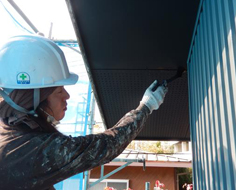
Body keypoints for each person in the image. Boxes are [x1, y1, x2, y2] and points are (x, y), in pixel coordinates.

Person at [0, 35, 168, 190]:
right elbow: (108, 145)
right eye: (59, 91)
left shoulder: (12, 137)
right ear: (34, 98)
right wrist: (147, 106)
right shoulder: (27, 151)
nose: (67, 96)